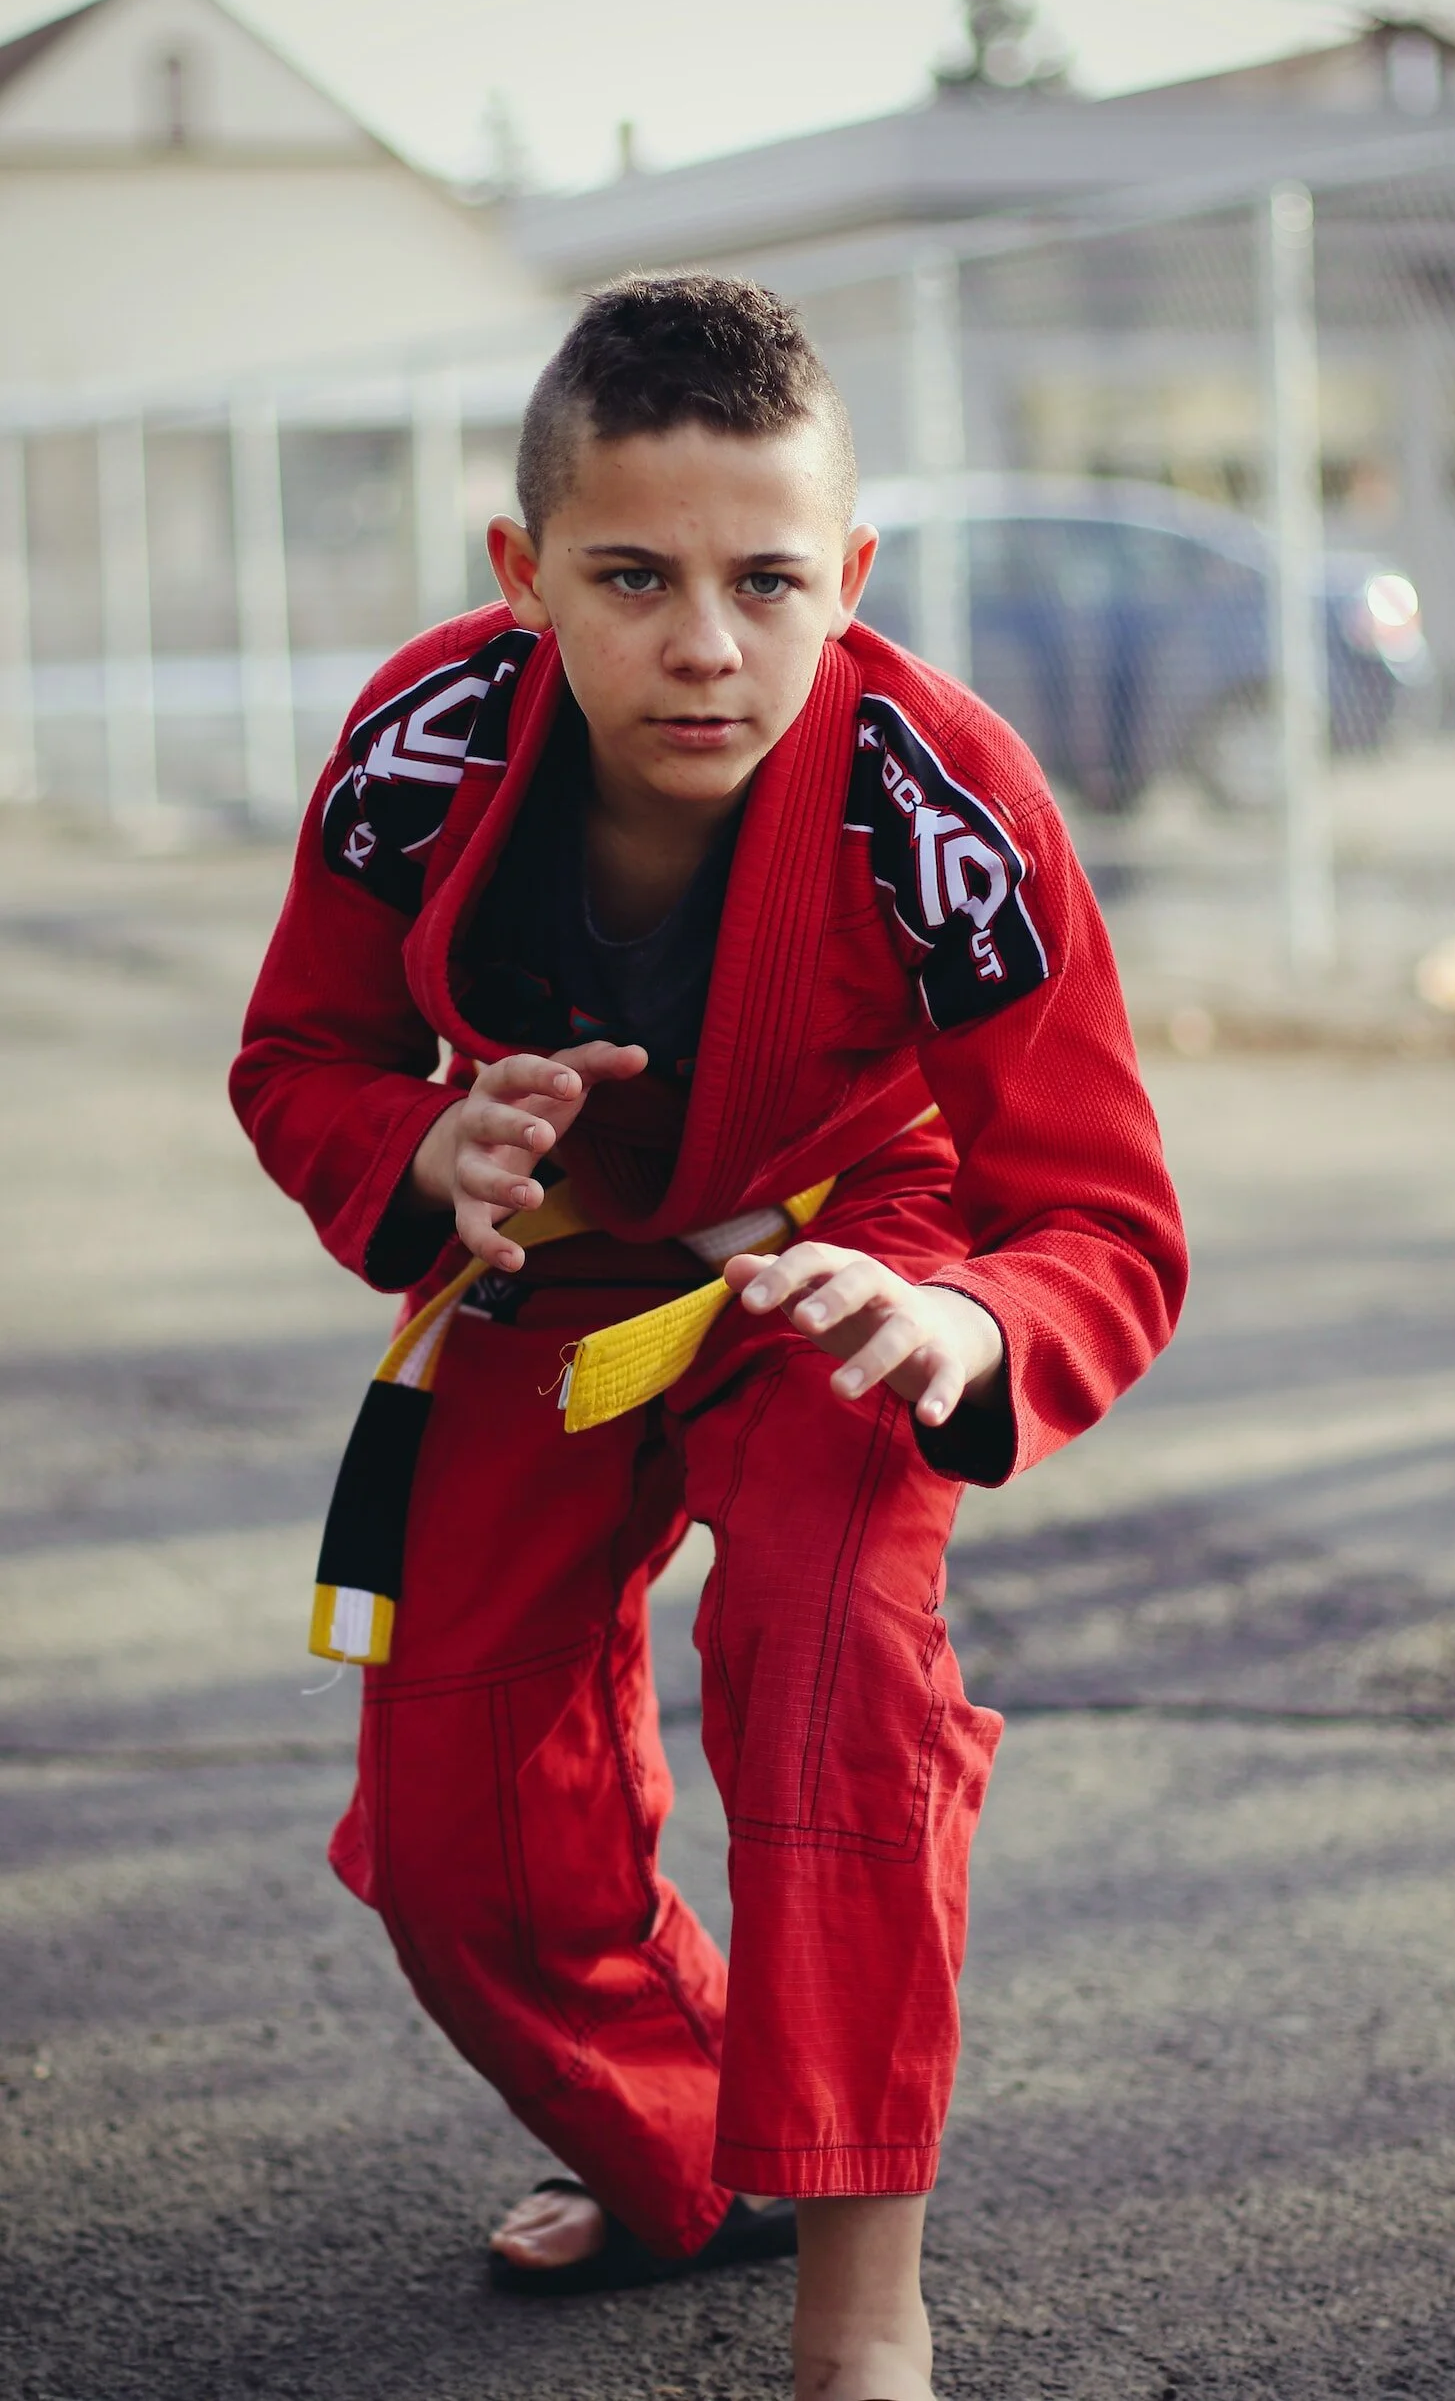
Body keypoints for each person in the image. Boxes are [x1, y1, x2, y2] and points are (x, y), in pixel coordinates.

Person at [232, 274, 1186, 2401]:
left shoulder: (943, 798)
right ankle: (686, 2152)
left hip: (850, 1264)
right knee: (458, 1836)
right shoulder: (423, 747)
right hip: (554, 1274)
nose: (702, 642)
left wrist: (959, 1311)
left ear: (843, 577)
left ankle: (863, 2308)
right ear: (522, 576)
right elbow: (302, 1045)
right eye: (631, 576)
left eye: (766, 579)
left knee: (838, 1681)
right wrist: (415, 1141)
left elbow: (1102, 1212)